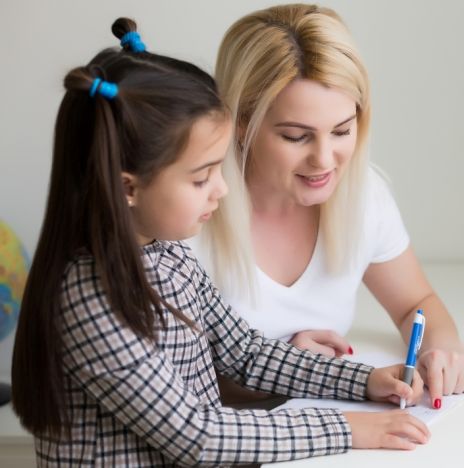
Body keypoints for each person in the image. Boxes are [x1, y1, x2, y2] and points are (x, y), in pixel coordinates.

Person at [10, 18, 429, 466]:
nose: (222, 189)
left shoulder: (168, 254)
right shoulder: (91, 298)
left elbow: (246, 353)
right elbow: (198, 435)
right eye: (201, 177)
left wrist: (361, 381)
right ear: (128, 188)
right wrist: (347, 429)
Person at [195, 3, 464, 410]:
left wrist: (445, 350)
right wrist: (291, 366)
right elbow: (159, 379)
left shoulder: (363, 196)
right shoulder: (187, 217)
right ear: (241, 123)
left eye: (343, 130)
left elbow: (415, 303)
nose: (325, 160)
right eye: (296, 136)